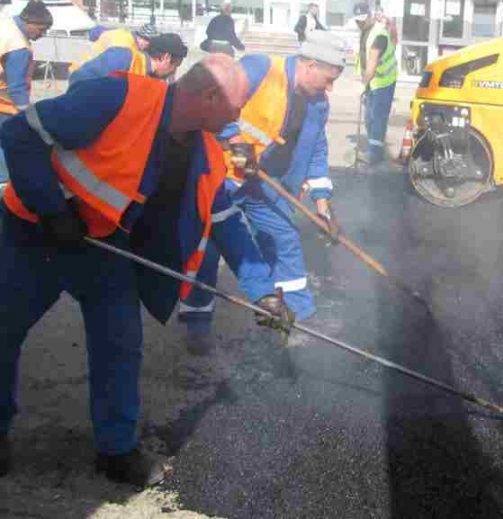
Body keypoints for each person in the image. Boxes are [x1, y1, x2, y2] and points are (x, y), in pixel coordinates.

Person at [0, 55, 290, 488]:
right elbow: (18, 132)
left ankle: (116, 450)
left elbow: (226, 221)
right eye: (237, 105)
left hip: (104, 247)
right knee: (3, 330)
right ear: (210, 97)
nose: (239, 116)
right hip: (33, 234)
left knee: (120, 343)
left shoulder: (206, 154)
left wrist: (263, 292)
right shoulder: (119, 97)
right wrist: (52, 209)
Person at [179, 30, 349, 342]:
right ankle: (197, 321)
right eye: (328, 79)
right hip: (220, 175)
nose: (330, 88)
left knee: (284, 235)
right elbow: (215, 96)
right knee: (210, 247)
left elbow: (317, 150)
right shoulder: (261, 68)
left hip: (263, 184)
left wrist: (323, 205)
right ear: (310, 65)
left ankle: (298, 318)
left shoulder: (318, 104)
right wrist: (234, 141)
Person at [0, 0, 54, 187]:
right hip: (4, 105)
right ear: (29, 23)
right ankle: (4, 183)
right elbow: (16, 89)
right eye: (41, 29)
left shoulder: (5, 24)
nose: (42, 34)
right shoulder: (18, 46)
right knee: (7, 141)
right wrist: (29, 116)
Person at [355, 1, 397, 165]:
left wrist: (362, 84)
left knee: (377, 117)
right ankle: (376, 149)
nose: (359, 23)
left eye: (362, 19)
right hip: (373, 82)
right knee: (369, 117)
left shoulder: (378, 34)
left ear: (370, 17)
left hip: (383, 82)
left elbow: (371, 64)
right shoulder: (366, 31)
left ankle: (374, 156)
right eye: (357, 20)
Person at [70, 32, 188, 85]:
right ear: (166, 57)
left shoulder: (150, 78)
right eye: (175, 66)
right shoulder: (123, 58)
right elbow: (78, 78)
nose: (174, 72)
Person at [71, 22, 159, 74]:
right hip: (84, 74)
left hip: (79, 68)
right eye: (147, 45)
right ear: (142, 38)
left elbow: (96, 30)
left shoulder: (123, 33)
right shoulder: (125, 47)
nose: (145, 49)